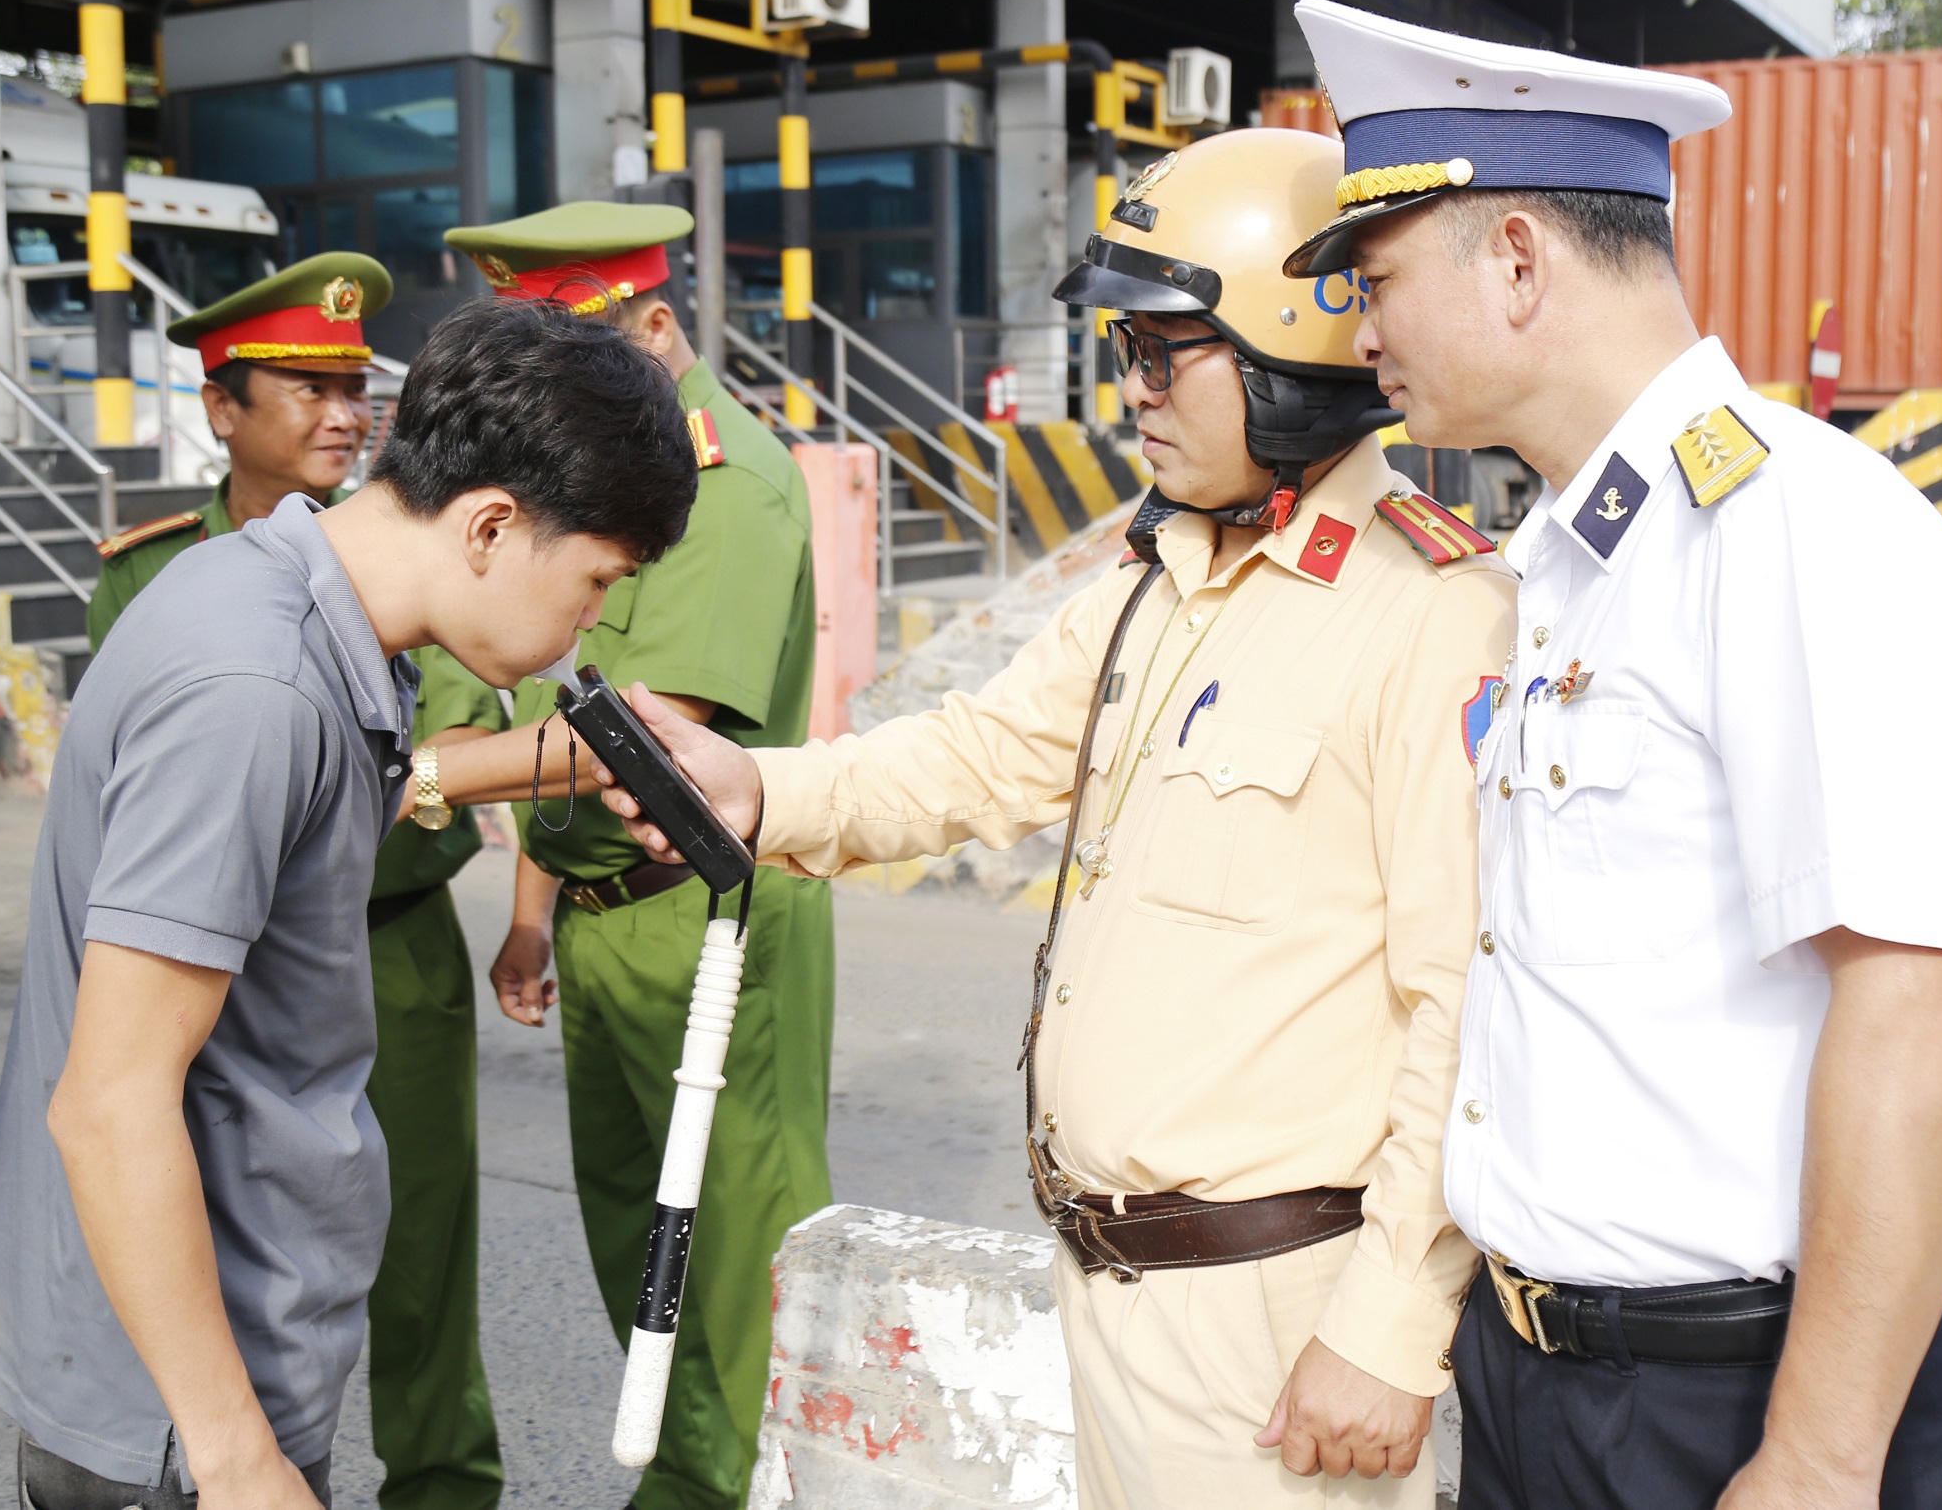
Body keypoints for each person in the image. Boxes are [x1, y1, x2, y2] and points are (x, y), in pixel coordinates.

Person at [598, 128, 1515, 1506]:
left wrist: (1389, 1326)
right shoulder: (1160, 575)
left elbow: (1465, 1009)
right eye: (1122, 350)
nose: (1130, 387)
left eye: (1161, 350)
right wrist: (760, 787)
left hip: (1279, 1317)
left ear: (1287, 354)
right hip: (1112, 1287)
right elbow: (980, 753)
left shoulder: (1432, 613)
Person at [1285, 0, 1942, 1509]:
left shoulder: (1794, 525)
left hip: (1731, 1400)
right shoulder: (1568, 555)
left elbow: (1919, 1003)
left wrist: (1817, 1456)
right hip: (1538, 1376)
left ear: (1519, 259)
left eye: (1379, 279)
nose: (1362, 335)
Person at [0, 297, 698, 1510]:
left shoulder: (286, 597)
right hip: (180, 1420)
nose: (590, 621)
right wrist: (237, 1458)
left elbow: (350, 801)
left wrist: (576, 756)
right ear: (491, 524)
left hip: (206, 1364)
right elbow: (109, 1101)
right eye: (596, 579)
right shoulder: (258, 682)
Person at [88, 255, 513, 1510]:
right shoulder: (150, 572)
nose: (343, 413)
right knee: (216, 1236)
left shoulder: (407, 558)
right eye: (308, 387)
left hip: (390, 943)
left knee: (421, 1250)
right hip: (216, 957)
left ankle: (441, 1487)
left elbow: (438, 744)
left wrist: (407, 782)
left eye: (353, 387)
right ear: (222, 408)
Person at [437, 201, 834, 1510]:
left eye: (575, 355)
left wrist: (427, 773)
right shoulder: (612, 475)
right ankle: (684, 1474)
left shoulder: (728, 483)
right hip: (603, 905)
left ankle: (759, 1487)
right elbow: (575, 694)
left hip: (700, 910)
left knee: (735, 1256)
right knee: (636, 1244)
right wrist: (532, 907)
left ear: (654, 327)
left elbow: (648, 735)